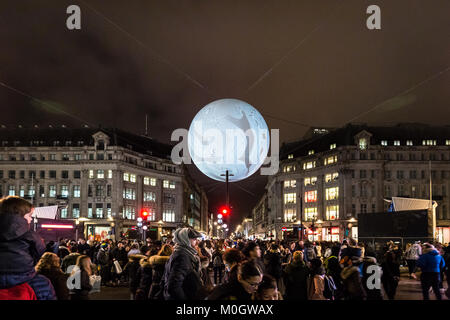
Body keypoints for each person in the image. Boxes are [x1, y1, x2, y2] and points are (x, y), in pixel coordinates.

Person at [0, 196, 56, 300]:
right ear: (19, 217)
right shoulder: (40, 285)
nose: (30, 219)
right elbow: (41, 251)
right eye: (29, 215)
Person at [162, 227, 203, 300]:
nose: (197, 242)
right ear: (185, 239)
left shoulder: (183, 253)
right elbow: (174, 286)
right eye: (194, 239)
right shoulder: (182, 256)